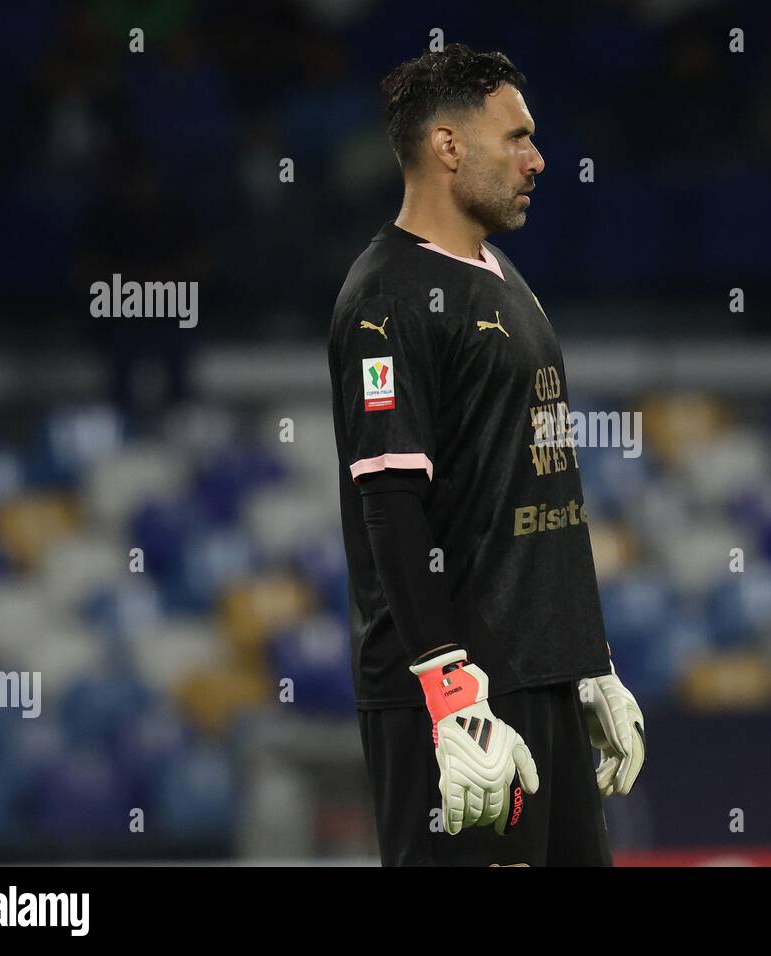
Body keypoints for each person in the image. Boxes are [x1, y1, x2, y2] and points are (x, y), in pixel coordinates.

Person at [327, 43, 645, 866]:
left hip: (540, 678)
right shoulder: (384, 300)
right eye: (518, 138)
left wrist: (588, 661)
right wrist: (450, 694)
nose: (538, 159)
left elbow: (541, 487)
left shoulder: (502, 275)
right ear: (447, 146)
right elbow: (392, 504)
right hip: (462, 704)